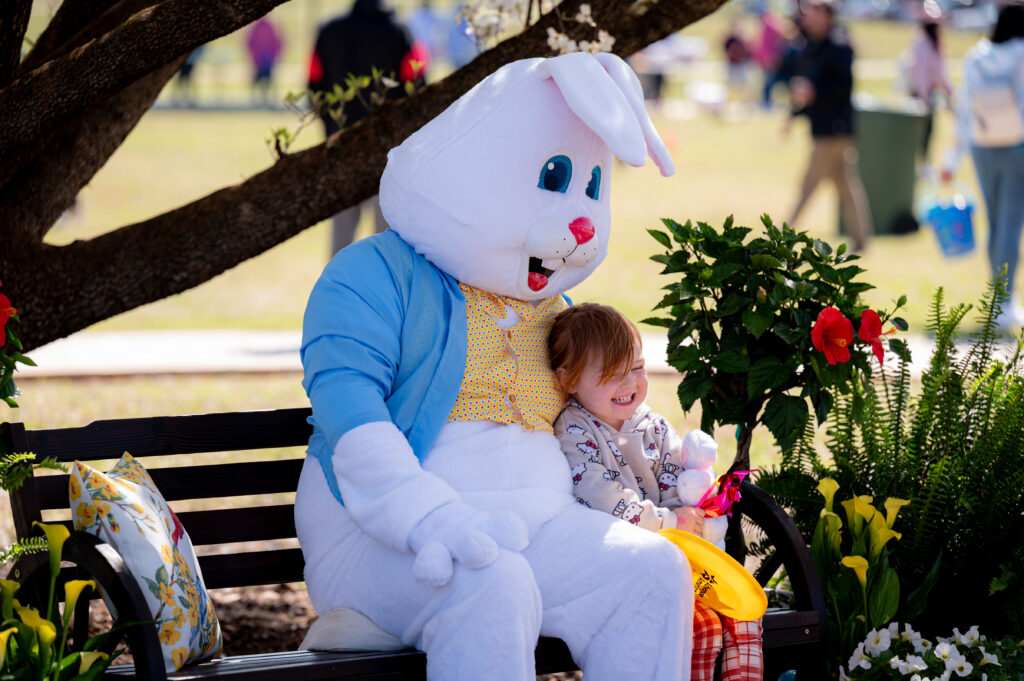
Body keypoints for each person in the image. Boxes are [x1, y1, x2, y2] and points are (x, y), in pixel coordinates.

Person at [548, 303, 764, 681]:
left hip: (684, 558)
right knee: (704, 628)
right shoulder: (575, 433)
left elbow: (678, 480)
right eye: (612, 375)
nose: (630, 384)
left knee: (744, 616)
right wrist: (668, 521)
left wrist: (694, 511)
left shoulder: (654, 426)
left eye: (636, 368)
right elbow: (605, 499)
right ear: (568, 380)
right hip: (626, 570)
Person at [308, 0, 425, 256]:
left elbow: (314, 84)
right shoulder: (400, 32)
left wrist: (330, 129)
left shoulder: (329, 31)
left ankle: (337, 291)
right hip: (389, 150)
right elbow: (418, 84)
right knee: (386, 237)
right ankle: (382, 293)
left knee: (341, 236)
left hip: (341, 145)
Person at [942, 3, 1024, 328]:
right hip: (1017, 146)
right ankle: (1005, 302)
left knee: (995, 223)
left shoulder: (977, 54)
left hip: (981, 146)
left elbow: (963, 109)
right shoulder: (1021, 53)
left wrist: (951, 158)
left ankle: (997, 298)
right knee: (1011, 224)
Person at [784, 0, 873, 252]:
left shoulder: (839, 45)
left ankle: (783, 238)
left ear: (826, 15)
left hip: (834, 130)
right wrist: (796, 111)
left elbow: (842, 87)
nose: (808, 17)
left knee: (808, 185)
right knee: (846, 186)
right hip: (824, 126)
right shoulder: (815, 45)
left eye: (813, 12)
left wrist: (813, 93)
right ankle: (862, 240)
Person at [904, 20, 953, 166]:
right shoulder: (923, 44)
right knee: (919, 131)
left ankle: (924, 163)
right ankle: (915, 163)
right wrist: (923, 97)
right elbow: (921, 73)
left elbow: (940, 72)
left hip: (929, 93)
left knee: (929, 130)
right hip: (920, 94)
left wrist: (949, 90)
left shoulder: (933, 44)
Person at [246, 16, 283, 108]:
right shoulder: (263, 26)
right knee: (259, 82)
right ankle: (259, 101)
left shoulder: (266, 26)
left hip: (266, 59)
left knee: (267, 82)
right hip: (261, 60)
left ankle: (267, 101)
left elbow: (277, 42)